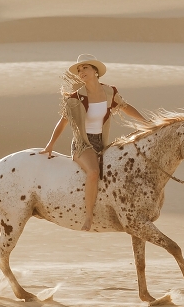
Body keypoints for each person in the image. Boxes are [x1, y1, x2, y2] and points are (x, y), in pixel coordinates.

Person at [40, 54, 148, 231]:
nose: (81, 72)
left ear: (95, 71)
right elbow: (63, 121)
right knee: (93, 172)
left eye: (85, 68)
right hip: (83, 144)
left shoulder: (109, 92)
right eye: (79, 70)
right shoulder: (76, 98)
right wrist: (50, 144)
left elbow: (125, 107)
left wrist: (146, 124)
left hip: (103, 143)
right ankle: (89, 216)